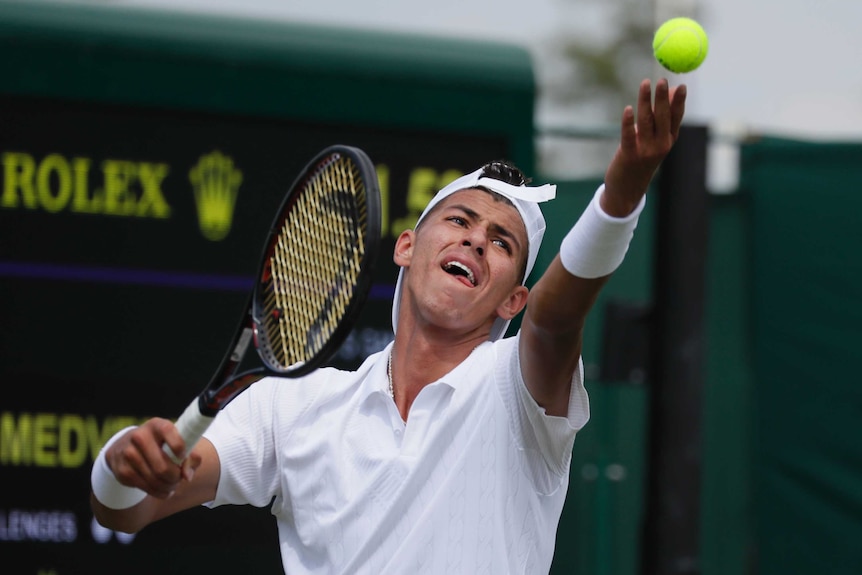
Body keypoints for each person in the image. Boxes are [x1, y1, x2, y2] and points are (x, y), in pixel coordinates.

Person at [91, 78, 686, 574]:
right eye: (460, 219)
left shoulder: (518, 391)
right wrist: (123, 465)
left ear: (513, 301)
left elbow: (556, 320)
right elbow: (127, 510)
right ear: (407, 246)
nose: (476, 238)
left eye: (501, 243)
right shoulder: (289, 408)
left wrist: (623, 191)